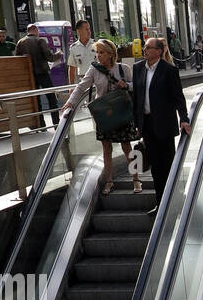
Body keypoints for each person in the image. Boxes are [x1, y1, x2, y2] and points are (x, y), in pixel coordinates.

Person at [62, 37, 141, 195]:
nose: (99, 55)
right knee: (106, 148)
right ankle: (109, 181)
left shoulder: (123, 69)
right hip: (104, 114)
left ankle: (136, 179)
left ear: (111, 54)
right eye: (97, 52)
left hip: (122, 112)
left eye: (102, 52)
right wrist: (71, 102)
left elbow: (137, 87)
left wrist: (126, 85)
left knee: (127, 147)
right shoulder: (94, 69)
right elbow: (81, 86)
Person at [131, 35, 192, 208]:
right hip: (147, 124)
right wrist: (137, 123)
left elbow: (178, 98)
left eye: (149, 48)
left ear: (158, 51)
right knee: (156, 167)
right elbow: (137, 98)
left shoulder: (169, 70)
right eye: (145, 47)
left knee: (168, 164)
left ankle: (174, 199)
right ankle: (161, 203)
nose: (145, 50)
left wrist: (184, 119)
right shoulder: (138, 69)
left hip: (165, 124)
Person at [16, 24, 60, 128]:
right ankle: (56, 124)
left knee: (36, 100)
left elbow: (17, 59)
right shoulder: (40, 40)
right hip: (43, 73)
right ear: (35, 30)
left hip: (30, 76)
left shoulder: (20, 42)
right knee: (51, 98)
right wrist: (58, 54)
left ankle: (41, 125)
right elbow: (49, 57)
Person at [67, 18, 97, 86]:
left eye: (89, 29)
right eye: (86, 29)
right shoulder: (74, 48)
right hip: (83, 81)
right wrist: (71, 87)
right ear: (79, 31)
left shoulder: (96, 45)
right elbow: (72, 68)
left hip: (96, 79)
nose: (89, 31)